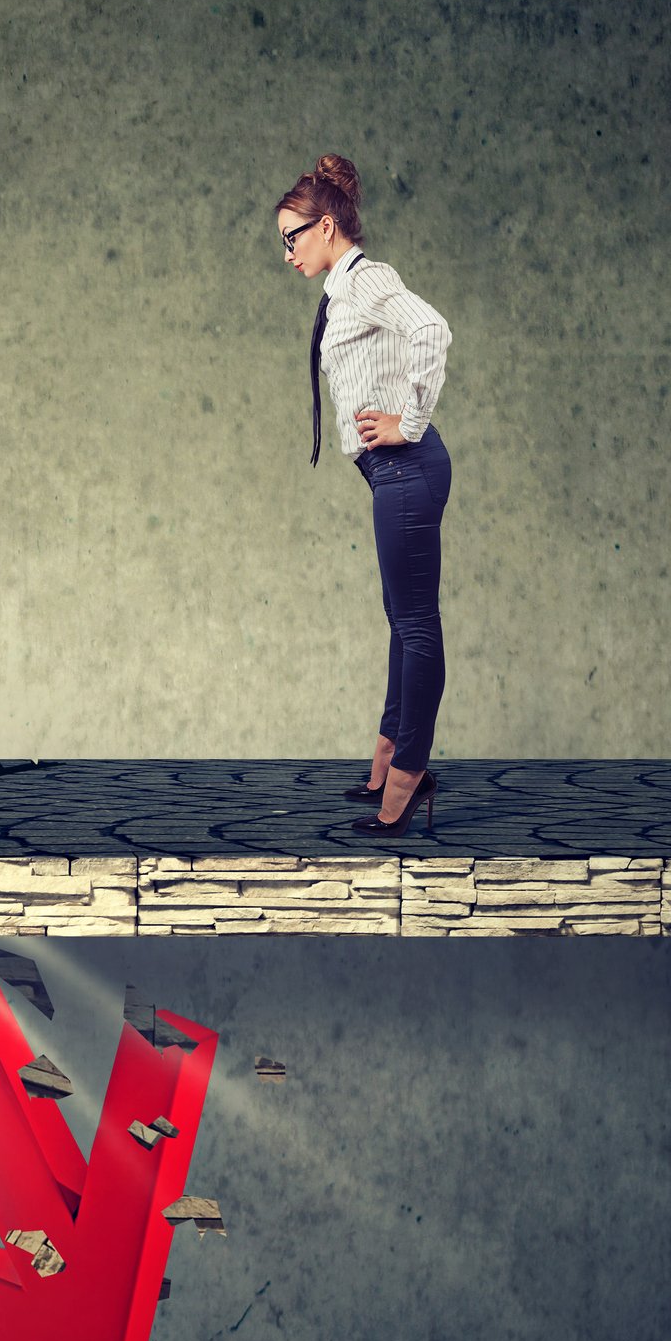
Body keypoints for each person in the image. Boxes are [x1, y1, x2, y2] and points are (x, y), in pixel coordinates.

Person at [275, 154, 453, 837]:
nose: (285, 251)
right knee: (399, 617)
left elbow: (431, 330)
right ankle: (386, 757)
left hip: (407, 468)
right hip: (391, 476)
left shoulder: (367, 281)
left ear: (325, 227)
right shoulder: (342, 290)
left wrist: (406, 420)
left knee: (414, 623)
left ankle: (409, 772)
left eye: (292, 236)